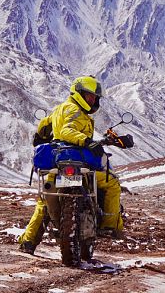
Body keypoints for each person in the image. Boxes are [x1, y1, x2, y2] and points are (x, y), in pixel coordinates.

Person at [18, 75, 133, 254]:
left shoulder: (58, 110)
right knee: (112, 184)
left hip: (58, 165)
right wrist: (87, 142)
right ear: (78, 93)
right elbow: (67, 131)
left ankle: (28, 242)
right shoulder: (75, 111)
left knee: (44, 202)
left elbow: (44, 126)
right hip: (78, 163)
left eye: (95, 97)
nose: (93, 100)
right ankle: (111, 226)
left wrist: (39, 136)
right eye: (89, 96)